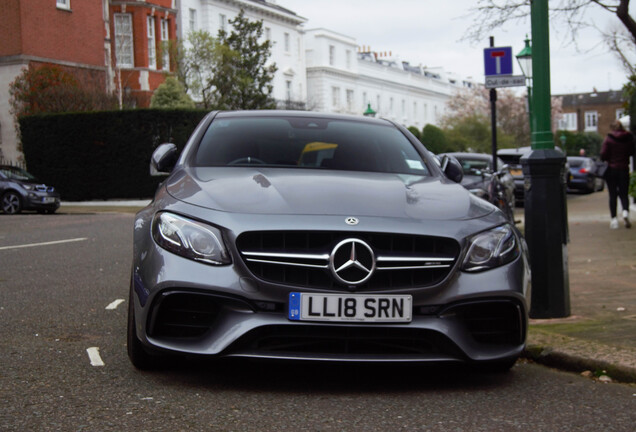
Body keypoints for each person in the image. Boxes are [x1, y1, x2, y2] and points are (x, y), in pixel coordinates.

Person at [600, 120, 635, 229]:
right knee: (624, 193)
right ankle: (625, 212)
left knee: (613, 195)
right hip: (624, 168)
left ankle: (614, 219)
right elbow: (632, 152)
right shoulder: (629, 138)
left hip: (612, 169)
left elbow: (603, 154)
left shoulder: (609, 139)